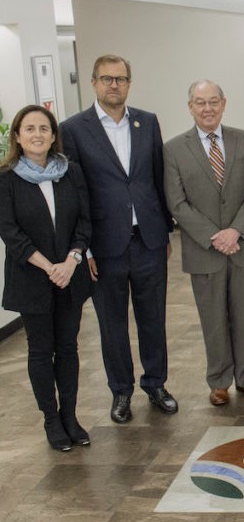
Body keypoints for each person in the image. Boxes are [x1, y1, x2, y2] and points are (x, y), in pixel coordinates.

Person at [60, 54, 177, 424]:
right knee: (111, 323)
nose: (115, 85)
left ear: (129, 83)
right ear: (93, 82)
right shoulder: (74, 129)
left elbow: (157, 179)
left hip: (149, 239)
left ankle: (155, 384)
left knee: (153, 318)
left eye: (121, 79)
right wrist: (84, 249)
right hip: (103, 247)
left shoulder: (147, 122)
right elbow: (74, 193)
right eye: (107, 79)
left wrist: (166, 230)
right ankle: (121, 392)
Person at [163, 80, 244, 406]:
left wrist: (235, 230)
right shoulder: (174, 149)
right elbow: (177, 203)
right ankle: (219, 380)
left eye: (213, 101)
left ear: (224, 103)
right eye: (199, 102)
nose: (207, 108)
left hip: (241, 246)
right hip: (203, 250)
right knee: (212, 319)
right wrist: (215, 236)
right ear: (190, 107)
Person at [0, 105, 92, 450]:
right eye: (29, 129)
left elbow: (85, 223)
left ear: (54, 135)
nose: (37, 134)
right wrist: (49, 267)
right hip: (32, 279)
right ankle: (51, 420)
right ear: (18, 137)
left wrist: (71, 261)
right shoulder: (5, 179)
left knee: (68, 348)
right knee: (41, 351)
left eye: (44, 128)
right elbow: (11, 233)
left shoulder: (71, 173)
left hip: (70, 276)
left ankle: (70, 416)